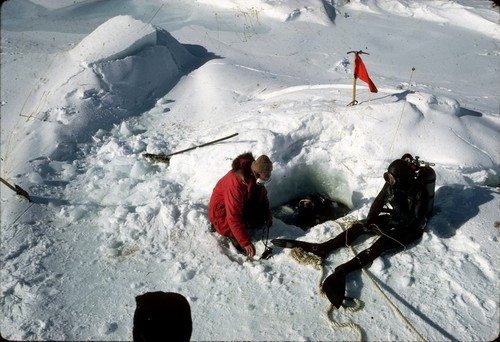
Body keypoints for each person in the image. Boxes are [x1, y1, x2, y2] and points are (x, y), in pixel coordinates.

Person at [272, 154, 436, 308]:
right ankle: (324, 247)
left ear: (400, 179)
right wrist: (370, 221)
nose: (389, 181)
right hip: (397, 217)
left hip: (411, 227)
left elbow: (415, 221)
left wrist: (398, 205)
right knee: (359, 227)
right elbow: (379, 201)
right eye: (388, 177)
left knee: (381, 243)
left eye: (392, 178)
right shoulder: (394, 184)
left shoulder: (418, 189)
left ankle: (343, 270)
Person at [208, 152, 273, 257]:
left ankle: (241, 228)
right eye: (262, 180)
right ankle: (218, 226)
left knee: (259, 217)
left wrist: (267, 215)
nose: (262, 183)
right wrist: (245, 242)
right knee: (230, 229)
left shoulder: (253, 177)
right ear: (256, 174)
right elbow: (233, 216)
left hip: (240, 204)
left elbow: (262, 196)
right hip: (221, 212)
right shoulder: (235, 184)